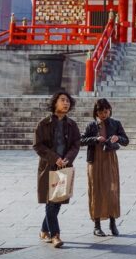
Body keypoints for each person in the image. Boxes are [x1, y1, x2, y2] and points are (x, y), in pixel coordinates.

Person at [32, 90, 80, 248]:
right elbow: (37, 145)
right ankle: (55, 235)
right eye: (63, 100)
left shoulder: (71, 125)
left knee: (56, 202)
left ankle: (43, 230)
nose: (66, 103)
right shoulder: (43, 124)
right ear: (55, 103)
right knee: (51, 202)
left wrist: (68, 158)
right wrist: (54, 158)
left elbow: (75, 144)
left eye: (68, 101)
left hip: (64, 167)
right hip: (49, 167)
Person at [80, 98, 129, 237]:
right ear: (96, 112)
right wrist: (95, 139)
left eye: (106, 111)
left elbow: (126, 141)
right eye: (101, 112)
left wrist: (117, 138)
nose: (104, 114)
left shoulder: (115, 124)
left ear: (109, 111)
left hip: (110, 160)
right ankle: (97, 225)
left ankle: (113, 223)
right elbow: (80, 140)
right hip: (94, 161)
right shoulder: (91, 126)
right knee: (96, 191)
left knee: (112, 190)